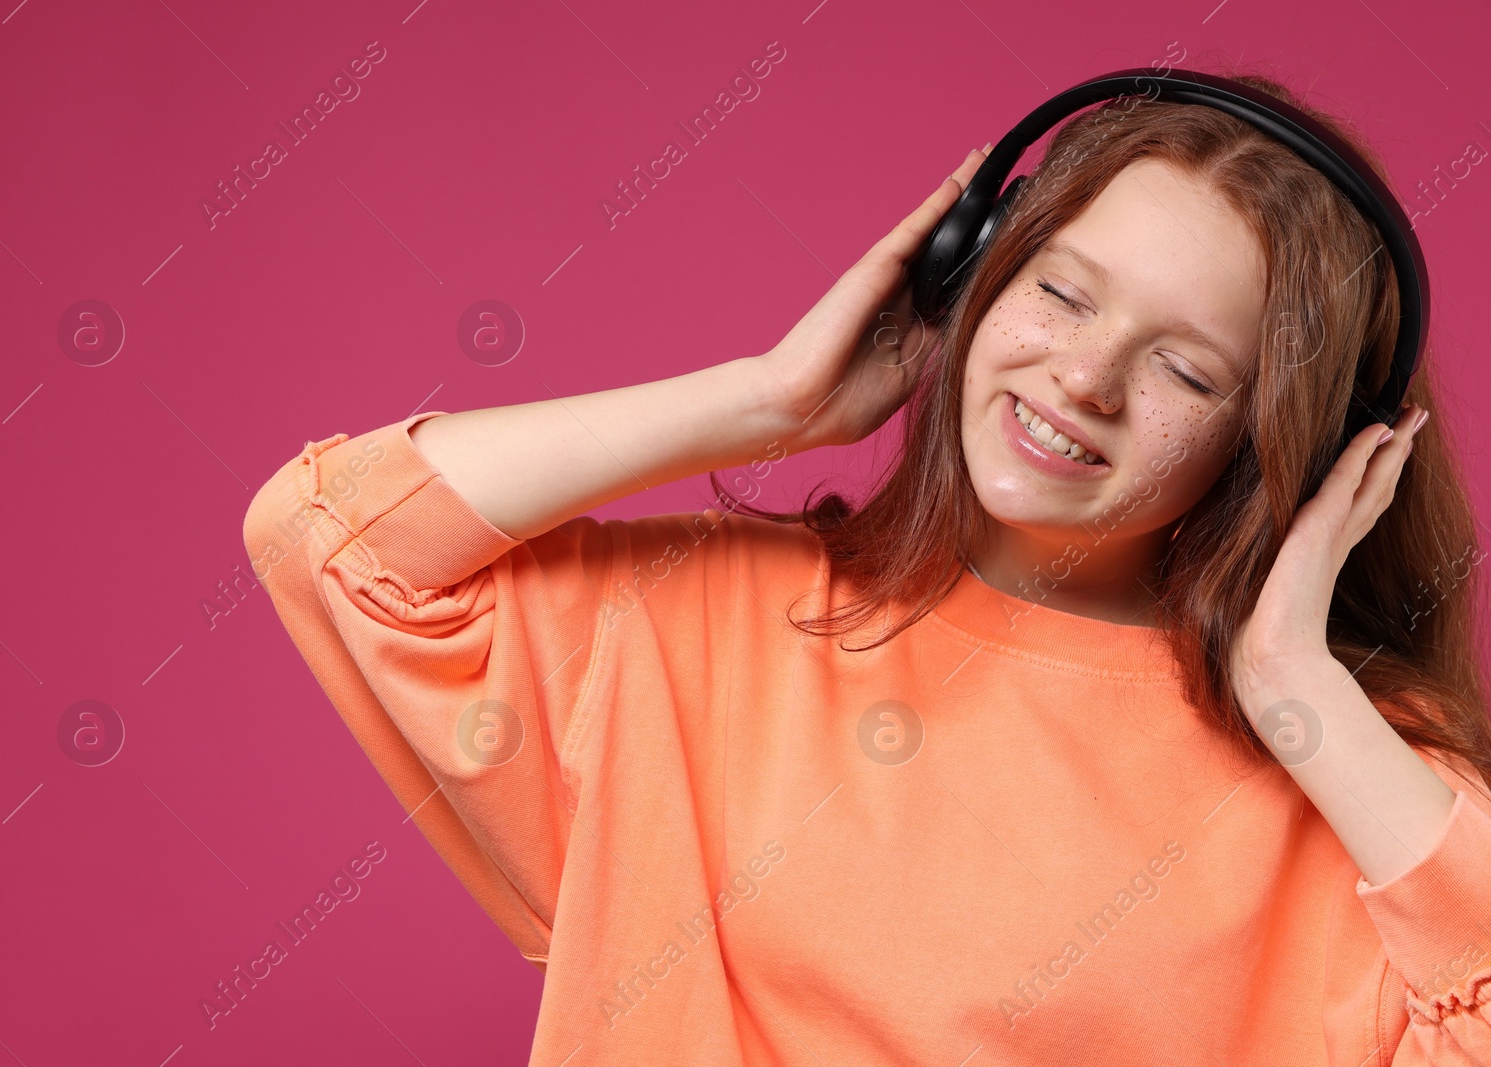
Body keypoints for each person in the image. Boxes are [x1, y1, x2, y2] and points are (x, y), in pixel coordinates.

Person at [243, 67, 1491, 1065]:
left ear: (1291, 445)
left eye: (1185, 369)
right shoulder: (709, 627)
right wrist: (761, 400)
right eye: (1059, 291)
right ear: (972, 269)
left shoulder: (1349, 777)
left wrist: (1291, 683)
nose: (1084, 378)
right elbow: (336, 539)